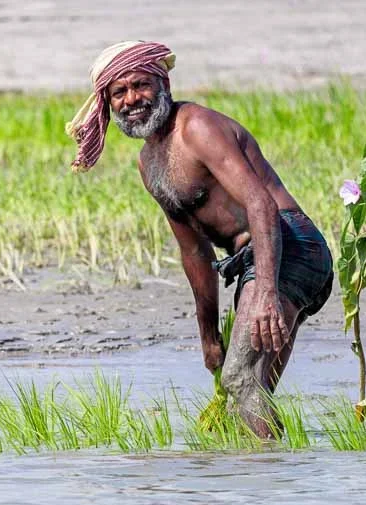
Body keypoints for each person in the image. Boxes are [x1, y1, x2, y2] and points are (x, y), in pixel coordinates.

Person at [66, 41, 333, 437]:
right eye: (118, 93)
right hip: (257, 260)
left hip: (290, 246)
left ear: (164, 83)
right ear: (106, 102)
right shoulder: (149, 163)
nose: (131, 99)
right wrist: (209, 336)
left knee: (240, 379)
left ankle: (276, 476)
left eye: (140, 85)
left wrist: (264, 294)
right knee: (244, 399)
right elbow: (194, 250)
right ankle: (273, 485)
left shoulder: (196, 127)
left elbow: (261, 204)